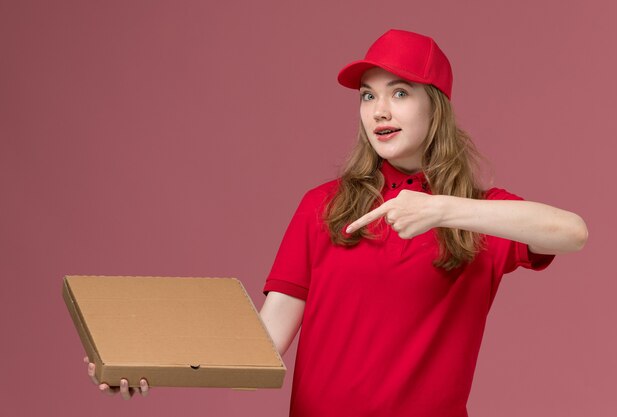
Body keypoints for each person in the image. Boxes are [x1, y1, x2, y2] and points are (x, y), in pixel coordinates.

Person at [85, 29, 588, 416]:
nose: (379, 111)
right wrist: (141, 363)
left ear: (436, 106)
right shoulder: (323, 206)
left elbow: (572, 232)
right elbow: (264, 344)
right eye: (368, 96)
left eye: (399, 92)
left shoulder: (478, 216)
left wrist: (443, 208)